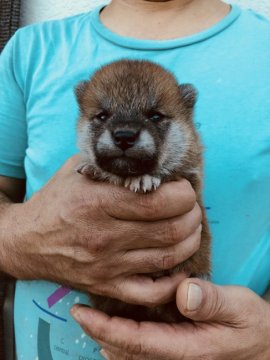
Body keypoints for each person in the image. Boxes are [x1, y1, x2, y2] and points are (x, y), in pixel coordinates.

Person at [0, 0, 269, 359]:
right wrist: (18, 238)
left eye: (156, 117)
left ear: (186, 115)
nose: (125, 132)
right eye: (103, 116)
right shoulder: (28, 50)